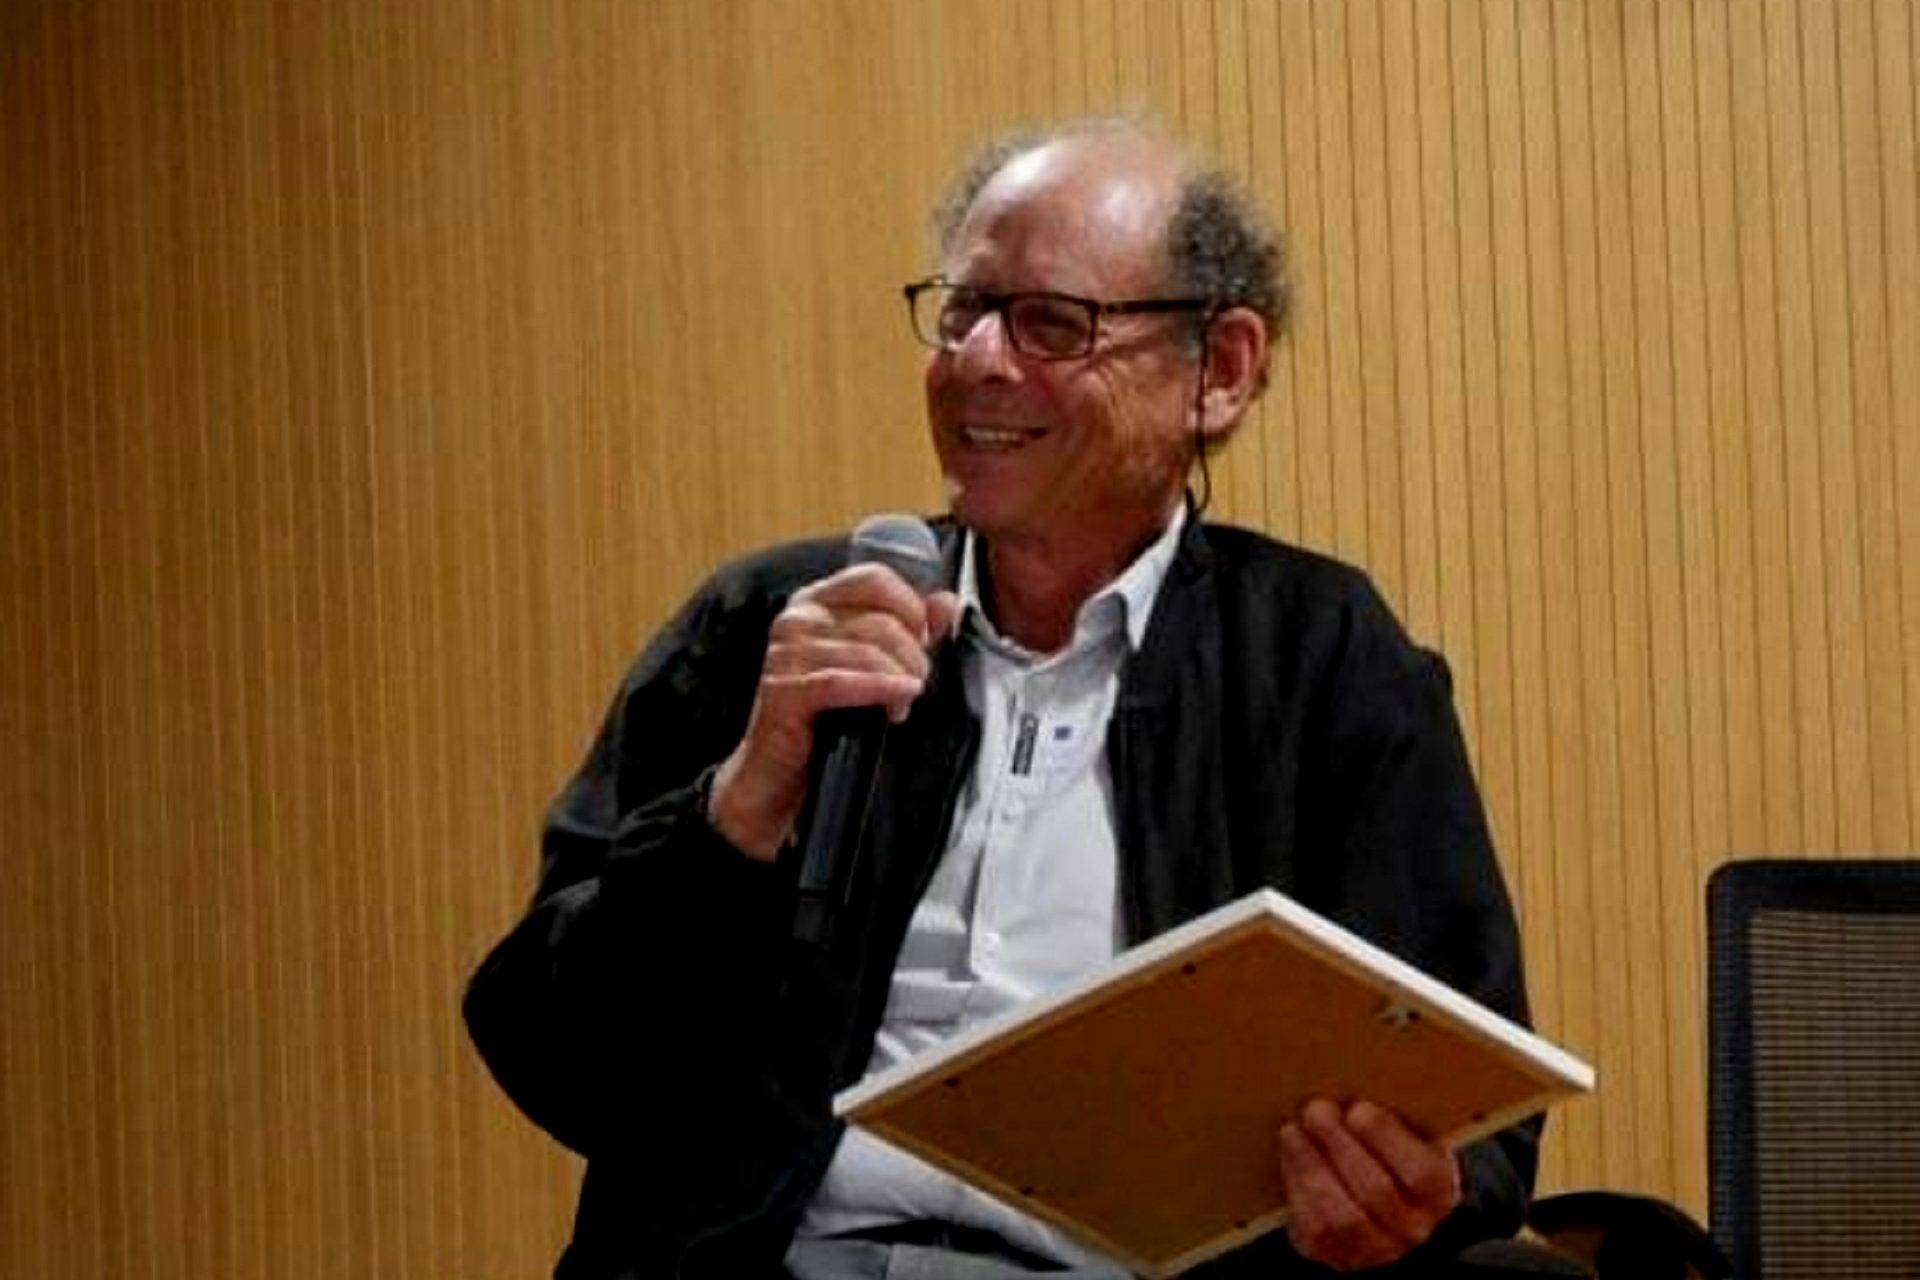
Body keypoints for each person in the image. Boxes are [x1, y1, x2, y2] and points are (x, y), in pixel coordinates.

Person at [465, 118, 1540, 1279]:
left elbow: (1469, 1101)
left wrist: (1395, 1192)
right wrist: (738, 807)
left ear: (1220, 370)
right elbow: (550, 1051)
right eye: (964, 310)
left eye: (1050, 323)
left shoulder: (1319, 658)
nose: (977, 359)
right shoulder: (775, 630)